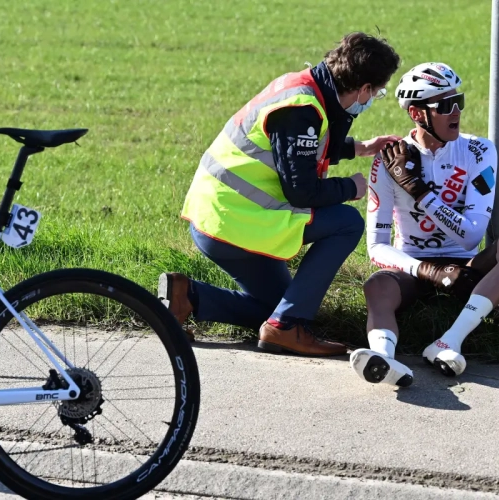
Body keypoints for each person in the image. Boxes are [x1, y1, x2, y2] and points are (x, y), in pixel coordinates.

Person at [159, 32, 402, 357]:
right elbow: (302, 190)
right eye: (378, 92)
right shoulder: (301, 108)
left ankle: (186, 297)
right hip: (235, 221)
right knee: (347, 222)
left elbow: (298, 149)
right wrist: (351, 188)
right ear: (364, 90)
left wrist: (360, 148)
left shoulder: (303, 88)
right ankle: (287, 329)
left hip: (220, 216)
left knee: (281, 305)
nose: (373, 99)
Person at [350, 62, 499, 386]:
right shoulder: (388, 159)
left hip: (464, 262)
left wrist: (418, 191)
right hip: (413, 265)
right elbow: (376, 246)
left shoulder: (478, 150)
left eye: (458, 102)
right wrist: (427, 271)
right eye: (444, 105)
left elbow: (471, 236)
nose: (456, 112)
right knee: (376, 286)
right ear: (417, 114)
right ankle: (384, 358)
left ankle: (449, 342)